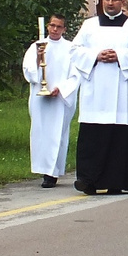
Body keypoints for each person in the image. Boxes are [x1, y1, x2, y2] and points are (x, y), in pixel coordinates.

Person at [70, 0, 128, 195]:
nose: (110, 3)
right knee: (94, 138)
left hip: (123, 93)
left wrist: (120, 56)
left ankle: (117, 182)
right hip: (96, 93)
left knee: (120, 138)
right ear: (102, 1)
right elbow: (75, 50)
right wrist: (96, 55)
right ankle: (88, 180)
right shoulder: (89, 25)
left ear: (122, 2)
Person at [22, 15, 79, 187]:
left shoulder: (70, 48)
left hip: (60, 98)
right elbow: (29, 70)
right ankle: (43, 169)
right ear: (47, 27)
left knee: (57, 134)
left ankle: (52, 172)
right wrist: (39, 59)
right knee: (41, 133)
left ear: (64, 29)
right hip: (41, 98)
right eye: (52, 26)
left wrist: (60, 89)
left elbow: (76, 75)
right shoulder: (36, 47)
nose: (55, 29)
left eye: (59, 26)